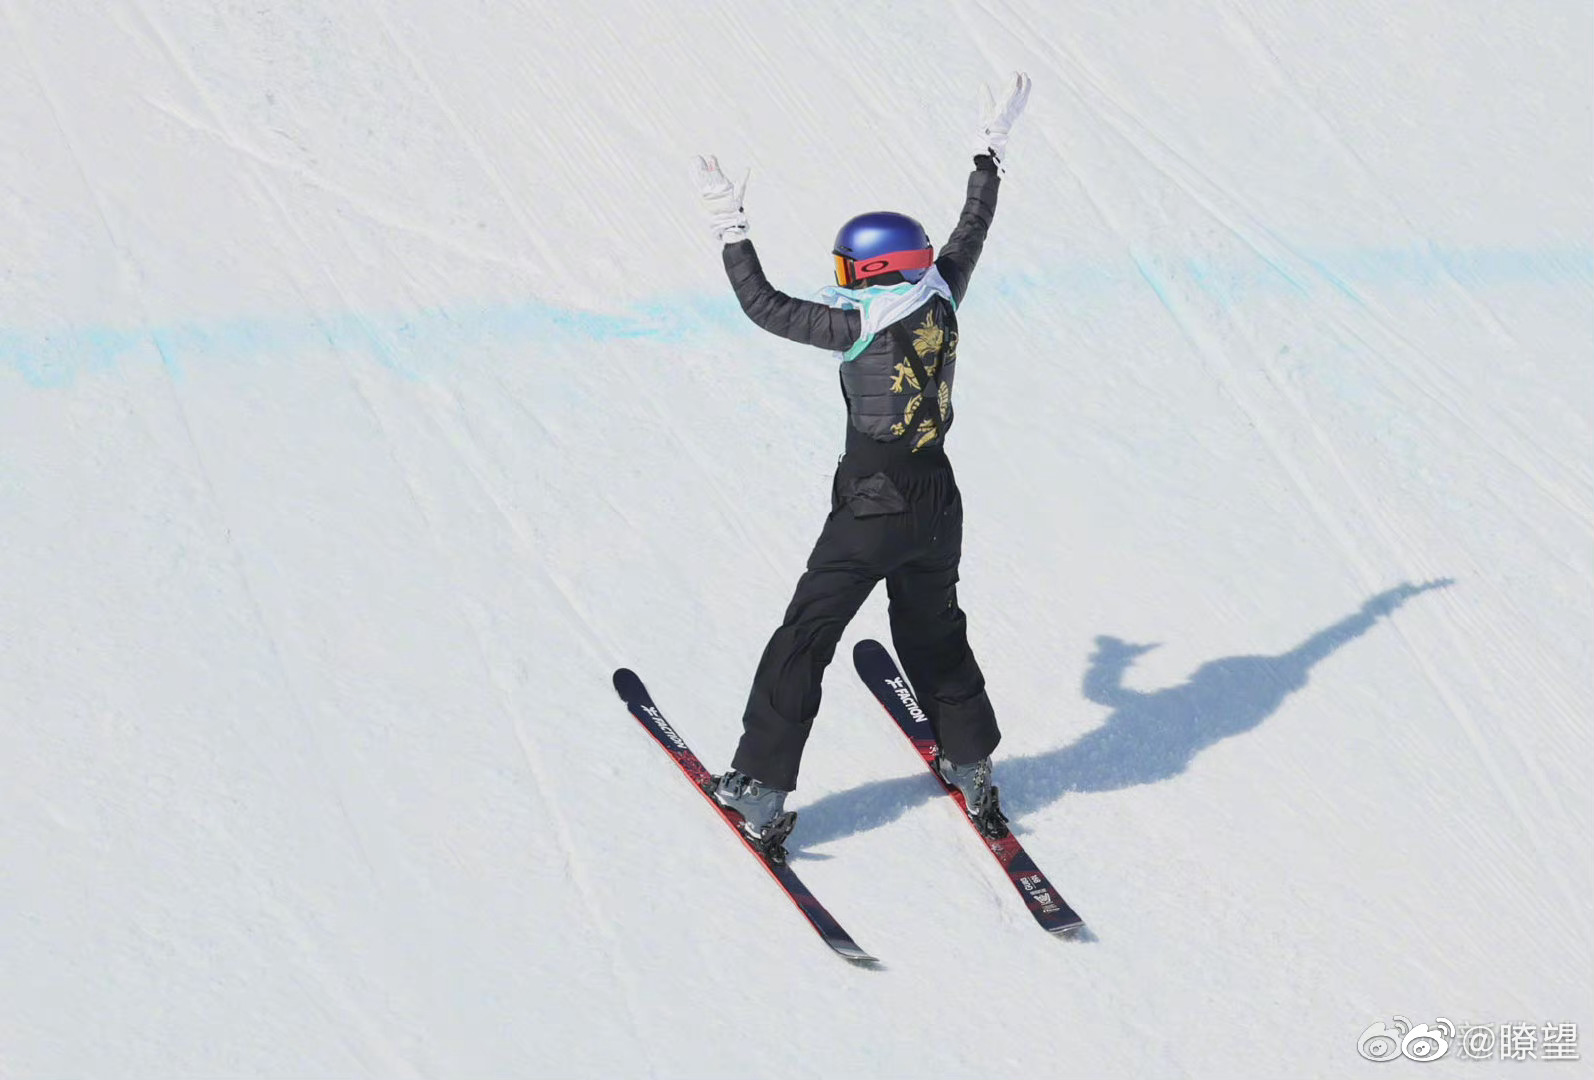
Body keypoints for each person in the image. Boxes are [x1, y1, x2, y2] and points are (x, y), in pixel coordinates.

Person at [690, 73, 1033, 855]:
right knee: (935, 629)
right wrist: (990, 150)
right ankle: (972, 763)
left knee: (807, 633)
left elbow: (765, 306)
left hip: (872, 501)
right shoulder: (943, 289)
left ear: (875, 271)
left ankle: (761, 788)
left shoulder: (858, 322)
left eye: (851, 267)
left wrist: (728, 225)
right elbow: (971, 227)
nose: (842, 279)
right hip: (938, 498)